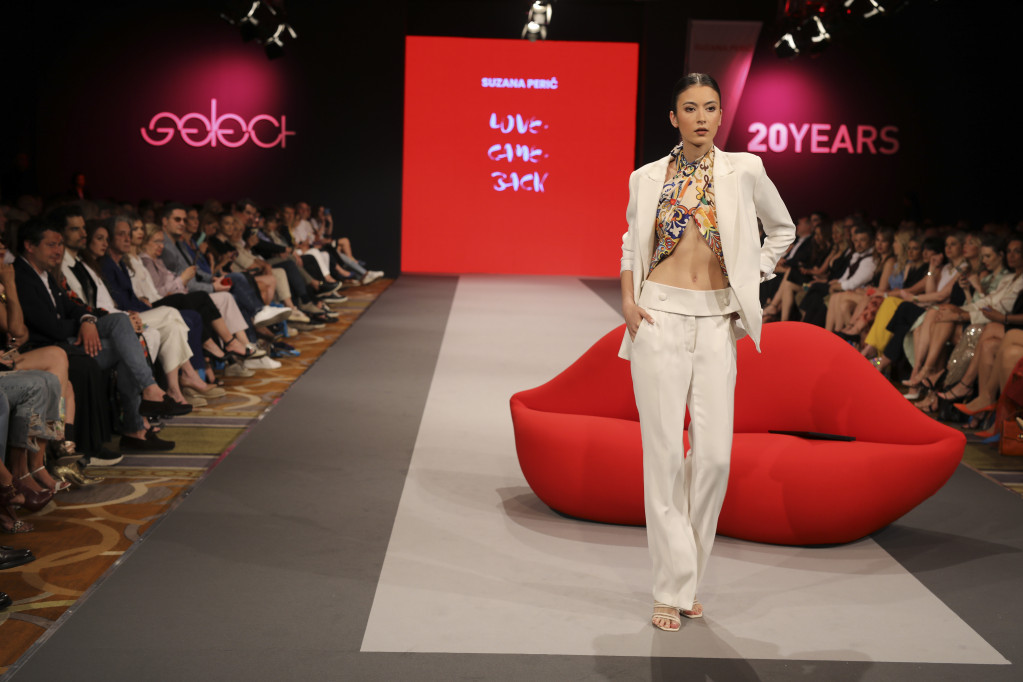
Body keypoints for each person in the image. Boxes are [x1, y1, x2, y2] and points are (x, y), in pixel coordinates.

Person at [618, 73, 794, 631]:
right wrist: (628, 299)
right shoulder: (646, 177)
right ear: (674, 118)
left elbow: (782, 230)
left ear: (721, 115)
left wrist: (750, 277)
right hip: (658, 317)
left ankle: (686, 577)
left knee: (714, 458)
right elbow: (630, 245)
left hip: (718, 320)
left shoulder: (746, 169)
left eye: (710, 107)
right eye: (690, 108)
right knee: (664, 458)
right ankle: (669, 590)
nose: (701, 117)